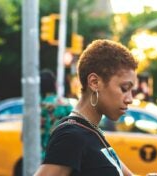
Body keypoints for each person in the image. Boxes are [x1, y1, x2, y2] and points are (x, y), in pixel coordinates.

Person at [34, 39, 138, 176]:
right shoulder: (71, 135)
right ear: (94, 82)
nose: (130, 99)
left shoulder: (93, 132)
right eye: (124, 88)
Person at [40, 69, 73, 159]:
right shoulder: (65, 104)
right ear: (54, 84)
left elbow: (24, 137)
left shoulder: (36, 107)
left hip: (42, 156)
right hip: (64, 154)